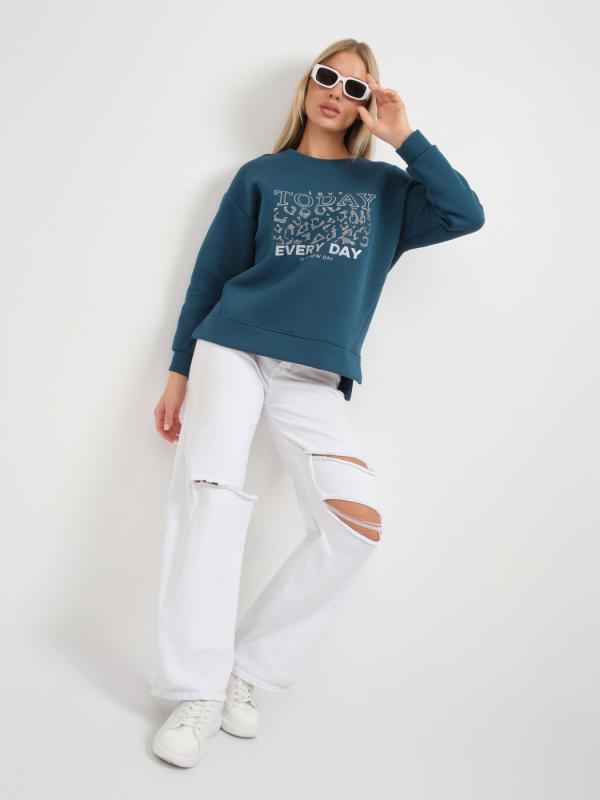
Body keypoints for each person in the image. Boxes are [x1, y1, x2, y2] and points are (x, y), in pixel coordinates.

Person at [149, 38, 485, 768]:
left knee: (355, 525)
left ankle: (245, 668)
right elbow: (212, 274)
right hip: (231, 346)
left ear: (368, 104)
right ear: (307, 86)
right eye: (328, 77)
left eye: (357, 87)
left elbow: (466, 214)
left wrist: (405, 138)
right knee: (210, 498)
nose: (338, 92)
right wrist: (179, 369)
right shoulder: (261, 174)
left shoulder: (388, 189)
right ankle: (195, 690)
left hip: (314, 375)